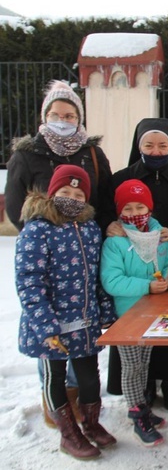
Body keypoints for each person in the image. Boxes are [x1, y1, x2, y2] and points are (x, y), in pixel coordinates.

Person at [4, 80, 116, 427]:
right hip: (50, 257)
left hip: (86, 249)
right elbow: (13, 205)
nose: (63, 119)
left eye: (69, 114)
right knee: (52, 341)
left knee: (82, 342)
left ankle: (82, 408)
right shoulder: (27, 153)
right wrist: (45, 242)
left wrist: (93, 235)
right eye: (56, 114)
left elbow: (106, 196)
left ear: (79, 118)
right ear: (45, 116)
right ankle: (58, 409)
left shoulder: (92, 154)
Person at [16, 165, 118, 460]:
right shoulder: (37, 229)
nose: (71, 198)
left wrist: (106, 311)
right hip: (50, 328)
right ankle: (68, 434)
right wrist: (46, 327)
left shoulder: (89, 228)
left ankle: (91, 423)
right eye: (64, 192)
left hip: (84, 323)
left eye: (78, 193)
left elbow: (97, 275)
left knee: (89, 378)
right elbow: (29, 281)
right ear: (51, 193)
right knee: (55, 379)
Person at [106, 118, 168, 412]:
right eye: (149, 144)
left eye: (163, 145)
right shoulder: (121, 178)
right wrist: (109, 225)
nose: (156, 150)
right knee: (137, 322)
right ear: (139, 147)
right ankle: (144, 381)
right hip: (131, 265)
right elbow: (105, 210)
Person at [100, 179, 168, 445]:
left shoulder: (159, 236)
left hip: (154, 313)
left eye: (140, 206)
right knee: (132, 366)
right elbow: (112, 281)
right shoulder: (115, 242)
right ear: (120, 213)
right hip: (129, 316)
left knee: (144, 363)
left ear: (150, 208)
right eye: (128, 209)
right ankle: (137, 413)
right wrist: (146, 286)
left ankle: (142, 408)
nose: (135, 214)